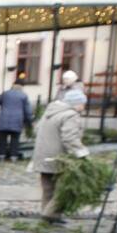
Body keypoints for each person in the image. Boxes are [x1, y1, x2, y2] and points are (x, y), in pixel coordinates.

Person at [31, 89, 91, 224]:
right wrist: (82, 153)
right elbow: (69, 138)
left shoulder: (51, 111)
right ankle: (50, 214)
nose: (84, 106)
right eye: (83, 103)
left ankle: (48, 215)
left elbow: (36, 129)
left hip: (42, 156)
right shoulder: (70, 115)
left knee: (48, 188)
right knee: (62, 189)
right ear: (76, 103)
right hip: (58, 158)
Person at [0, 78, 33, 161]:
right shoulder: (23, 96)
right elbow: (27, 111)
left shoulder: (6, 93)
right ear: (22, 86)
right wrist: (29, 122)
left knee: (2, 139)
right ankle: (13, 157)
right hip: (17, 122)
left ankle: (1, 155)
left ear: (13, 84)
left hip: (4, 120)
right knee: (15, 139)